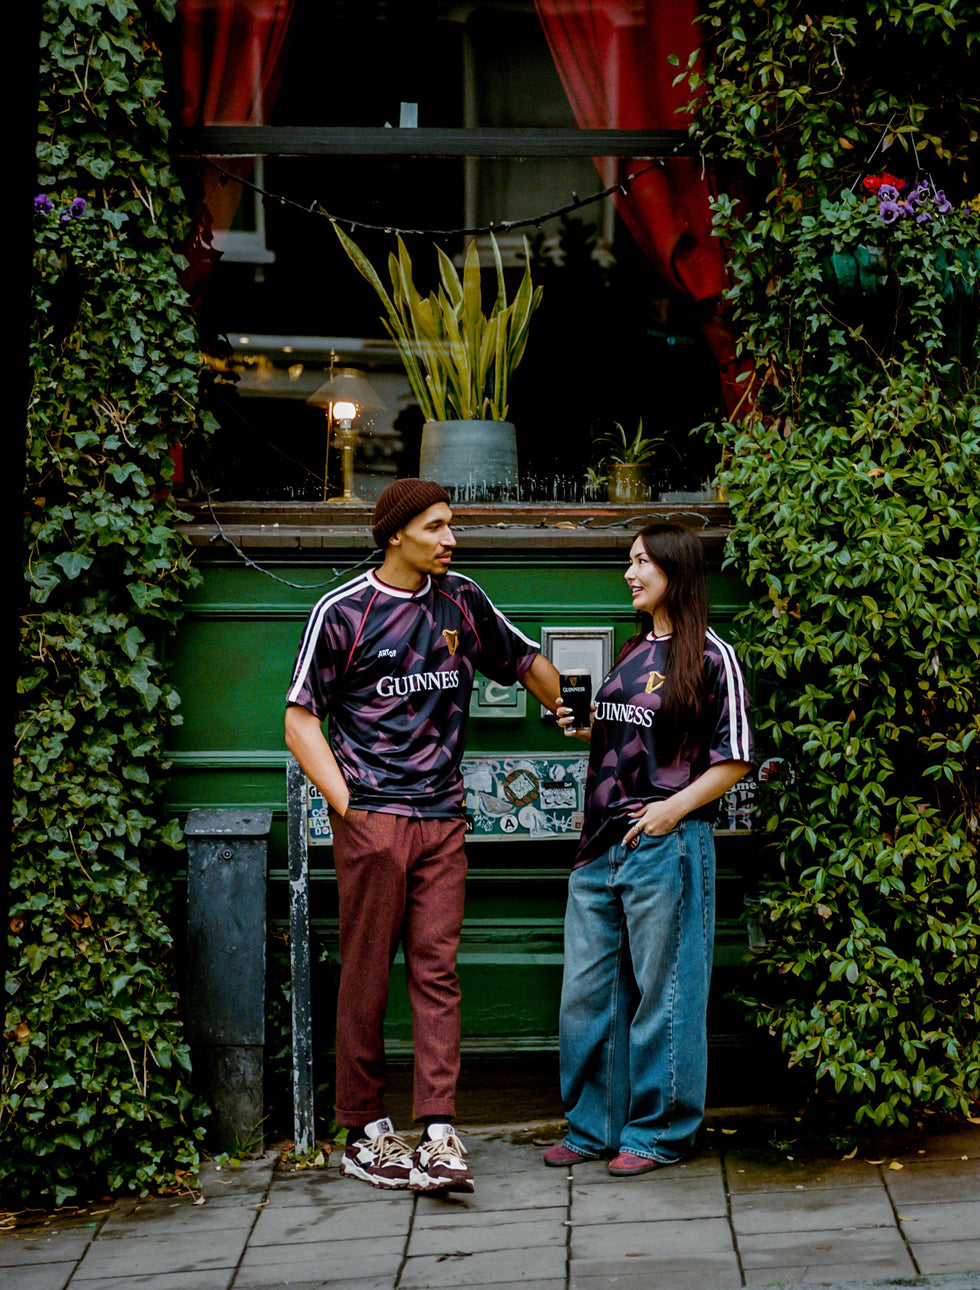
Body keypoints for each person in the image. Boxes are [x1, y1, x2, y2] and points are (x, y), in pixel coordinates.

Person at [285, 478, 560, 1193]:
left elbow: (524, 660)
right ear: (396, 534)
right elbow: (299, 718)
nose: (450, 538)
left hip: (443, 818)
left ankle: (438, 1130)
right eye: (437, 527)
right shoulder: (342, 611)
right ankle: (364, 1128)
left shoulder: (461, 600)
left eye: (451, 526)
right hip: (375, 820)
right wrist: (350, 807)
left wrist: (576, 707)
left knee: (437, 971)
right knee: (367, 972)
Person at [543, 523, 753, 1176]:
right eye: (628, 562)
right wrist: (584, 727)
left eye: (641, 562)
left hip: (666, 845)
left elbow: (736, 757)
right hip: (599, 844)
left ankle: (659, 1132)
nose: (629, 573)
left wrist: (671, 811)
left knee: (664, 993)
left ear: (675, 570)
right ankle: (594, 1126)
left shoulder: (712, 657)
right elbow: (626, 745)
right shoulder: (633, 651)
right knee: (589, 995)